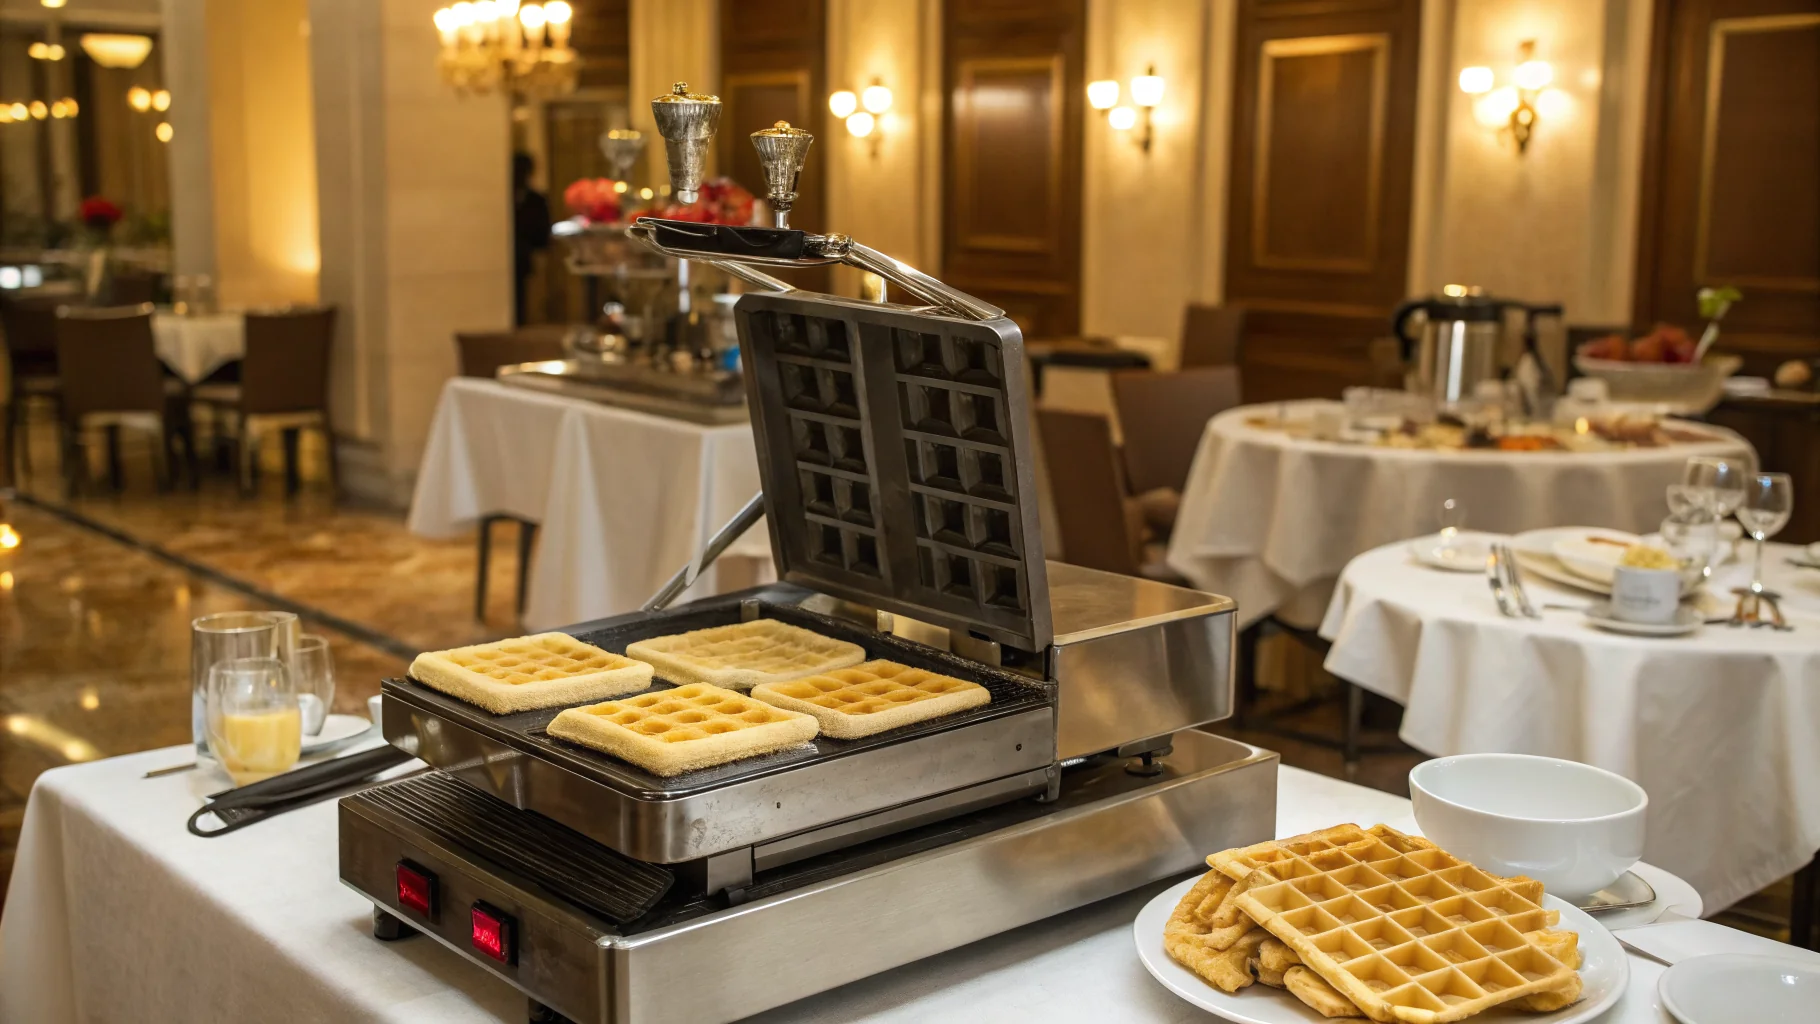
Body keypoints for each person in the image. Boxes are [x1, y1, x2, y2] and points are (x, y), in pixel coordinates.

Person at [512, 152, 552, 325]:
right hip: (507, 255)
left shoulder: (536, 200)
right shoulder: (502, 199)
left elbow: (542, 231)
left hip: (523, 256)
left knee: (522, 300)